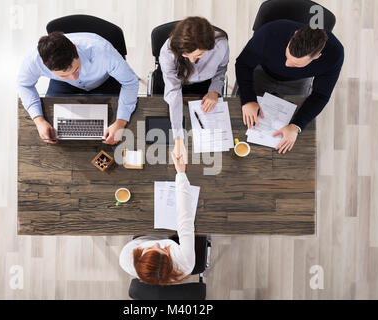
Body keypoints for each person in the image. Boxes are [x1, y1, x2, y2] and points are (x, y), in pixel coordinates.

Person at [235, 19, 344, 154]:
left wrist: (296, 126)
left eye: (296, 64)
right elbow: (243, 64)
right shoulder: (269, 32)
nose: (287, 64)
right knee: (240, 119)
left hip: (297, 82)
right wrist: (248, 99)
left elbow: (320, 95)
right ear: (294, 35)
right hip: (262, 72)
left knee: (292, 129)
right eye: (287, 56)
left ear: (317, 56)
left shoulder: (335, 54)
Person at [17, 31, 139, 145]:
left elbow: (130, 82)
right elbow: (24, 85)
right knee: (56, 129)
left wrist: (120, 122)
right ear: (44, 64)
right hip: (64, 85)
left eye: (76, 69)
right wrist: (38, 120)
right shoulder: (33, 60)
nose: (74, 78)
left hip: (104, 81)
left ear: (75, 48)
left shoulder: (102, 51)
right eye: (64, 74)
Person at [119, 151, 195, 285]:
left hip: (138, 243)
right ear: (170, 262)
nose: (157, 244)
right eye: (162, 249)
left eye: (150, 249)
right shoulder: (186, 263)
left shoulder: (127, 259)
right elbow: (185, 218)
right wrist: (181, 173)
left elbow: (153, 246)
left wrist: (146, 247)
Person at [159, 16, 229, 160]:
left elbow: (221, 68)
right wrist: (178, 138)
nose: (191, 61)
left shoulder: (221, 45)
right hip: (177, 83)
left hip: (206, 85)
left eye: (199, 55)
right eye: (186, 55)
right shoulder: (168, 52)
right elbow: (173, 91)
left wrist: (214, 90)